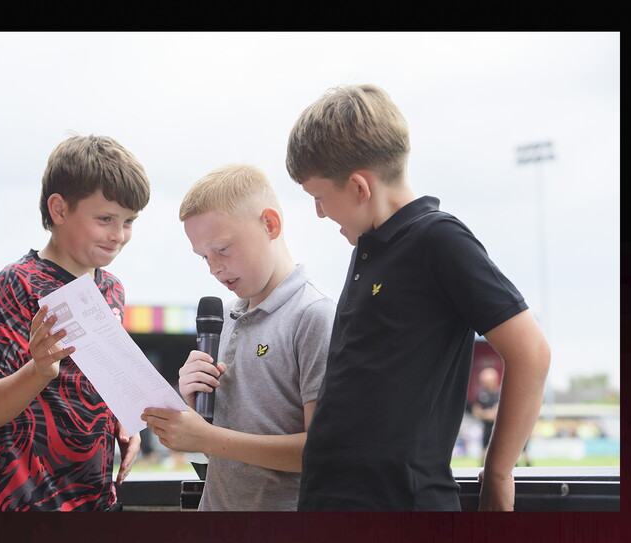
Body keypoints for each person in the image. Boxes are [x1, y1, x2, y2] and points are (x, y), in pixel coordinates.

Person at [286, 84, 551, 511]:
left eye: (318, 197)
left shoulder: (438, 238)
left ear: (358, 187)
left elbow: (532, 351)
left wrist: (499, 473)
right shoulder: (368, 248)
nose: (319, 212)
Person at [0, 134, 149, 511]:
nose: (119, 235)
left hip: (96, 502)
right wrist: (38, 370)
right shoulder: (14, 285)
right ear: (59, 210)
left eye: (128, 221)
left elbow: (93, 387)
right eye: (106, 219)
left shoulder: (112, 290)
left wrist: (122, 422)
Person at [141, 164, 335, 511]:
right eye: (204, 256)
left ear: (270, 224)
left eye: (223, 249)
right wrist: (191, 406)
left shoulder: (314, 315)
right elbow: (223, 436)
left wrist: (208, 438)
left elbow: (323, 451)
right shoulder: (225, 317)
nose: (213, 267)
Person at [471, 367, 501, 465]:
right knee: (484, 451)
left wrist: (495, 413)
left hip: (501, 427)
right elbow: (476, 410)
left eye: (486, 381)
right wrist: (485, 414)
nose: (484, 384)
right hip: (487, 427)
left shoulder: (501, 393)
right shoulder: (481, 395)